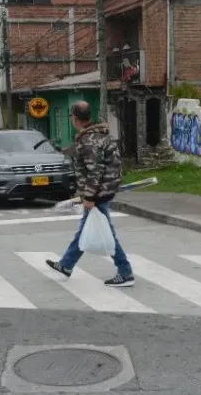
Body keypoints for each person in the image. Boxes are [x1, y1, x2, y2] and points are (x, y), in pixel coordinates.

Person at [46, 101, 135, 287]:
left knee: (105, 232)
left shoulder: (89, 140)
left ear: (75, 119)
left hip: (99, 192)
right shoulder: (100, 135)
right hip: (105, 188)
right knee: (86, 229)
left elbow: (95, 171)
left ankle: (125, 272)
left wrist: (89, 197)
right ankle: (66, 265)